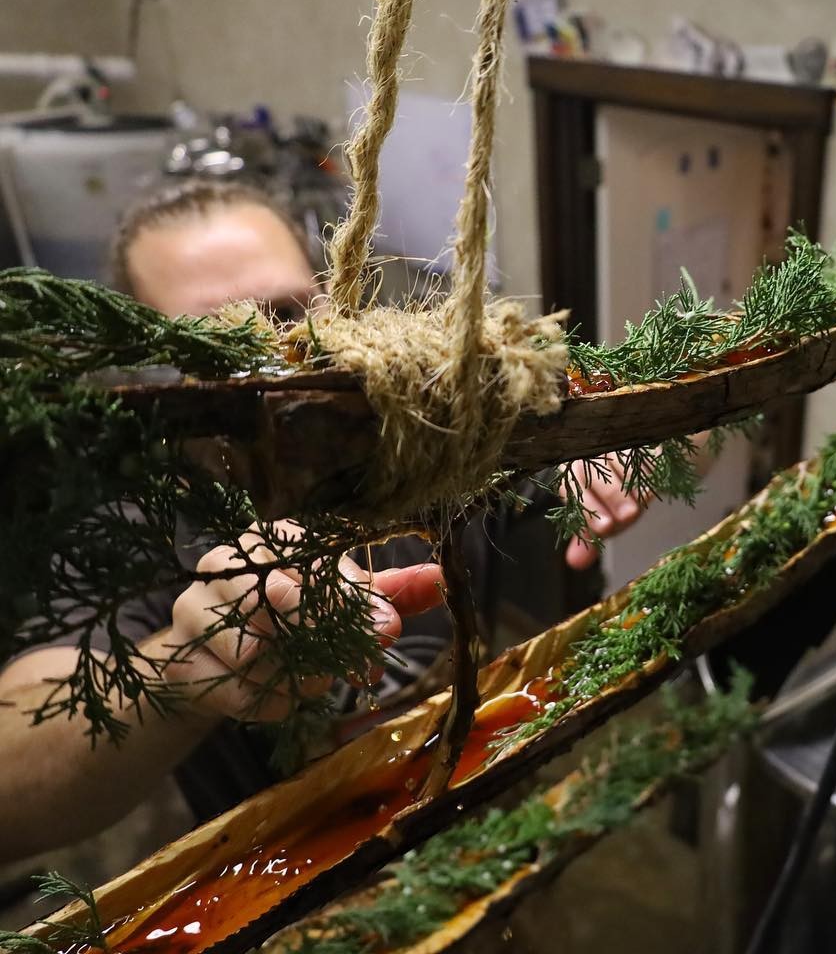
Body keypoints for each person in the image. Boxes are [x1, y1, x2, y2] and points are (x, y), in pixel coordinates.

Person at [0, 180, 657, 863]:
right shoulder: (135, 527)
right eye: (211, 339)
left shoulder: (424, 442)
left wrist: (626, 440)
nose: (268, 357)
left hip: (480, 817)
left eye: (286, 312)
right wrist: (183, 670)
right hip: (291, 880)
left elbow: (668, 431)